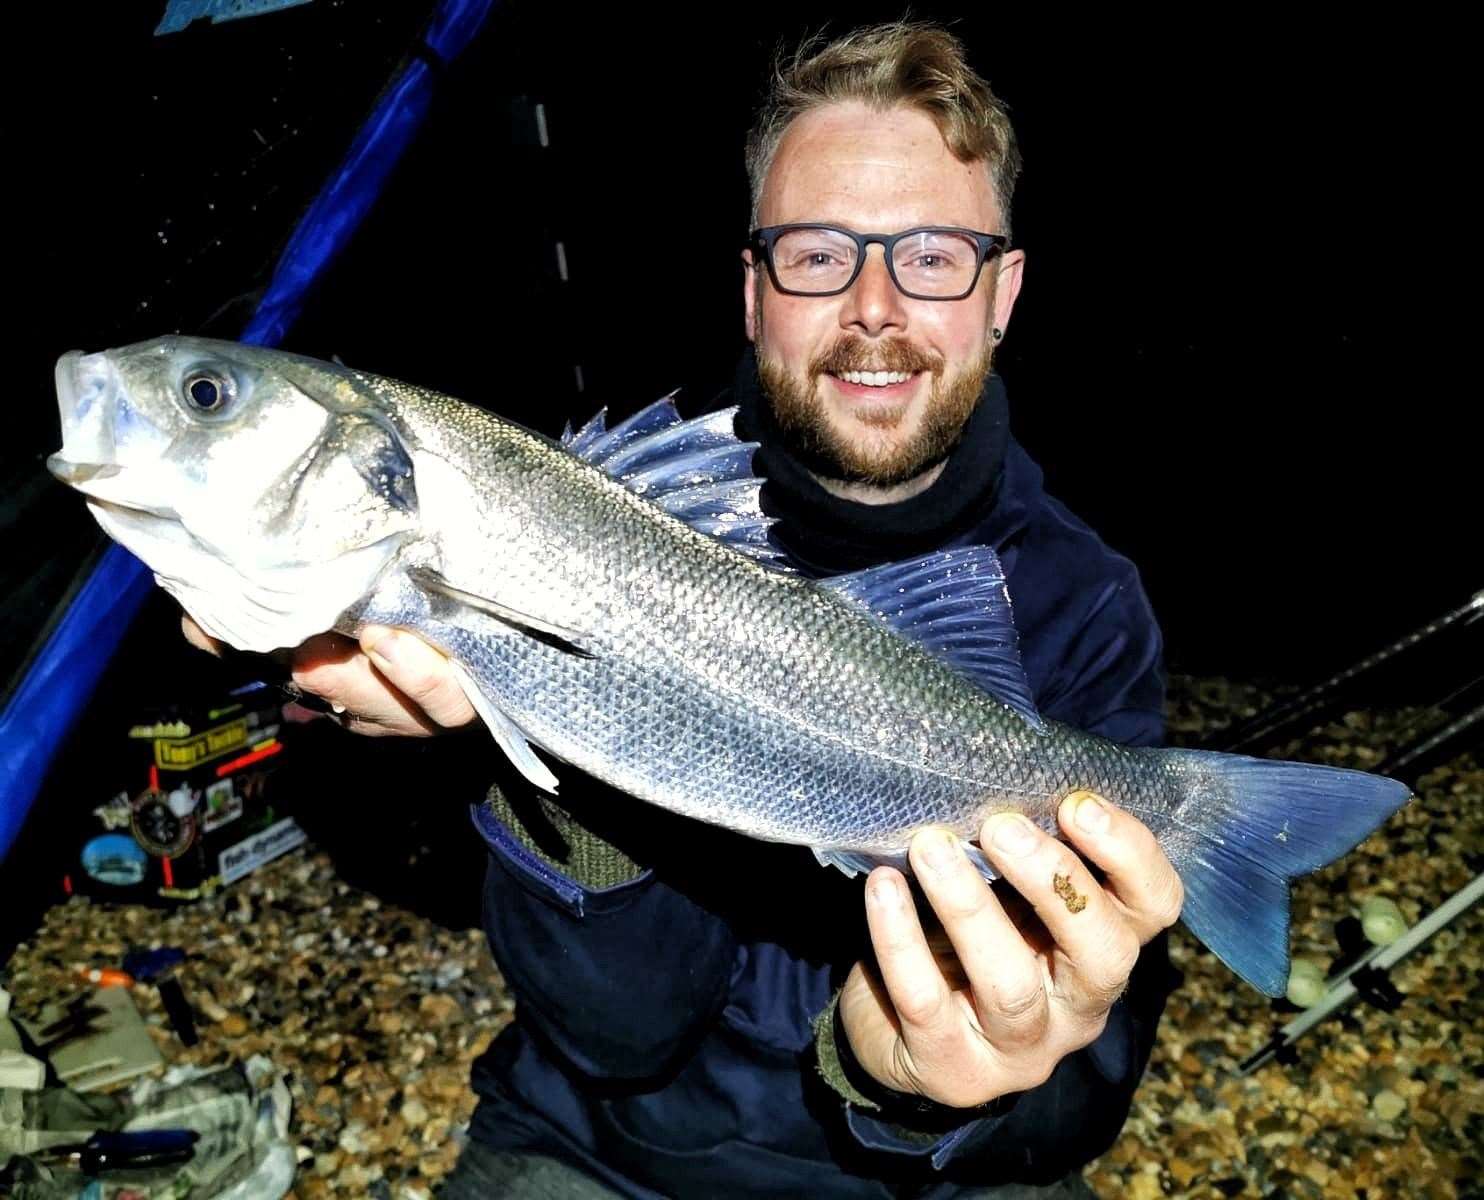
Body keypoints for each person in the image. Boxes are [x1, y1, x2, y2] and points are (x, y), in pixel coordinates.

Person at [186, 21, 1183, 1198]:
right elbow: (614, 1036)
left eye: (930, 255)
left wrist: (913, 1080)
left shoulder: (1083, 606)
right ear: (753, 292)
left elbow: (1085, 1094)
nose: (873, 305)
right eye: (816, 255)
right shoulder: (579, 511)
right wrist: (532, 724)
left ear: (1000, 292)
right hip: (602, 1151)